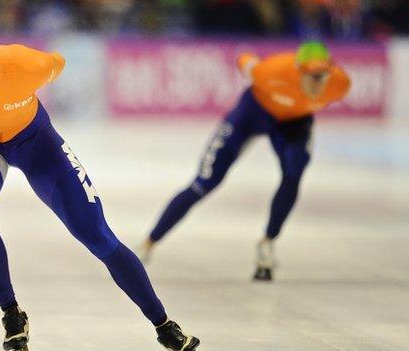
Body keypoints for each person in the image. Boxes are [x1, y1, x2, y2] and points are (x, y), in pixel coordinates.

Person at [0, 18, 200, 351]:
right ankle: (11, 312)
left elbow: (58, 62)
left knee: (95, 233)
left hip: (36, 142)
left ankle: (162, 323)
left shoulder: (25, 65)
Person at [139, 41, 351, 282]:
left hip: (293, 122)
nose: (317, 82)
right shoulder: (270, 71)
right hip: (252, 114)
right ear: (298, 70)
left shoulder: (340, 84)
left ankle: (268, 242)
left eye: (322, 75)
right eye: (312, 75)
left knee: (294, 172)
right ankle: (149, 242)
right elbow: (244, 58)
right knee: (205, 182)